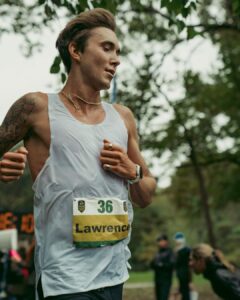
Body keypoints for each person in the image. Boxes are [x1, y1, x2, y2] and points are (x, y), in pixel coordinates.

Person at [0, 8, 157, 300]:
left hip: (115, 275)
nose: (116, 59)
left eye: (118, 51)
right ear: (76, 51)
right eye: (107, 47)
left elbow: (146, 194)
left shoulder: (123, 117)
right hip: (65, 280)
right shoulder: (36, 108)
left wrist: (132, 172)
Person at [150, 234, 174, 300]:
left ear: (166, 241)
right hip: (158, 280)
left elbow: (172, 265)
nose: (160, 242)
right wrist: (154, 263)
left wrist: (161, 265)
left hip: (166, 280)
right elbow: (152, 265)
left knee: (164, 297)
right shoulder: (158, 253)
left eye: (161, 240)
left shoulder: (170, 252)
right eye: (159, 241)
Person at [174, 232, 191, 300]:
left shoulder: (183, 250)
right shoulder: (185, 249)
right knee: (184, 290)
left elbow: (178, 263)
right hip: (183, 273)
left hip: (183, 273)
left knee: (185, 291)